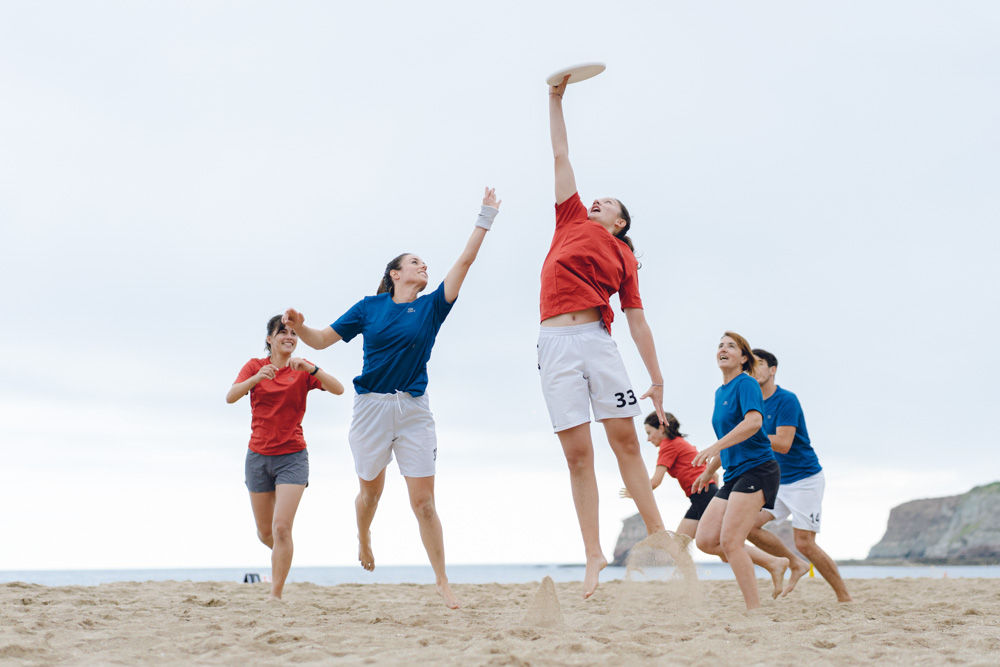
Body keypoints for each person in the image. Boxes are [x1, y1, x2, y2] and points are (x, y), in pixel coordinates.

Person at [281, 187, 500, 610]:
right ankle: (364, 535)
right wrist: (301, 326)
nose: (423, 265)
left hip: (414, 410)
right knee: (371, 493)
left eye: (423, 262)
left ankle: (442, 579)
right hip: (371, 410)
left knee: (424, 502)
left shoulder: (433, 306)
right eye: (414, 261)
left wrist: (485, 216)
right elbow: (323, 339)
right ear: (396, 273)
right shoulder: (370, 307)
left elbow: (465, 261)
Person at [545, 75, 671, 599]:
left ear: (620, 225)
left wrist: (657, 378)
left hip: (598, 341)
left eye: (606, 204)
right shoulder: (568, 219)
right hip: (554, 344)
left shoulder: (624, 256)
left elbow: (637, 319)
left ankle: (660, 534)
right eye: (593, 200)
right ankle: (594, 554)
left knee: (624, 442)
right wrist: (554, 98)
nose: (594, 203)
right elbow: (560, 156)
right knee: (577, 455)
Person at [226, 315, 345, 600]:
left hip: (292, 457)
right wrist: (256, 378)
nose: (289, 337)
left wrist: (313, 368)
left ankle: (275, 595)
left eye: (294, 333)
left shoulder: (301, 368)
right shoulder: (255, 366)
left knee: (282, 528)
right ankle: (284, 553)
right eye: (283, 332)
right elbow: (231, 396)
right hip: (257, 456)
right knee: (266, 533)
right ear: (270, 339)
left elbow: (339, 389)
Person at [691, 332, 790, 610]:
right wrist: (709, 471)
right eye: (720, 345)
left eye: (731, 346)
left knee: (731, 542)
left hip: (758, 470)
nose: (723, 349)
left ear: (744, 358)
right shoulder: (720, 392)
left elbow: (754, 423)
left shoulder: (746, 384)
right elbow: (731, 438)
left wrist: (714, 446)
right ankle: (773, 562)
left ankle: (753, 611)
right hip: (734, 473)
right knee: (706, 540)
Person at [747, 348, 852, 602]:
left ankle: (844, 598)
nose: (754, 369)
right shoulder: (752, 404)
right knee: (748, 525)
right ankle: (794, 563)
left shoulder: (786, 400)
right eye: (750, 365)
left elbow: (783, 443)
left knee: (805, 543)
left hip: (805, 479)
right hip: (777, 480)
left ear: (772, 370)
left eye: (759, 364)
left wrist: (750, 433)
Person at [621, 412, 719, 541]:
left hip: (704, 497)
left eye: (649, 433)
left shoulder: (668, 446)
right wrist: (714, 495)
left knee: (722, 544)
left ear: (661, 429)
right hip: (701, 497)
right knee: (679, 545)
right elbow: (715, 475)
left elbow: (655, 482)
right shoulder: (680, 443)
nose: (648, 439)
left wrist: (634, 492)